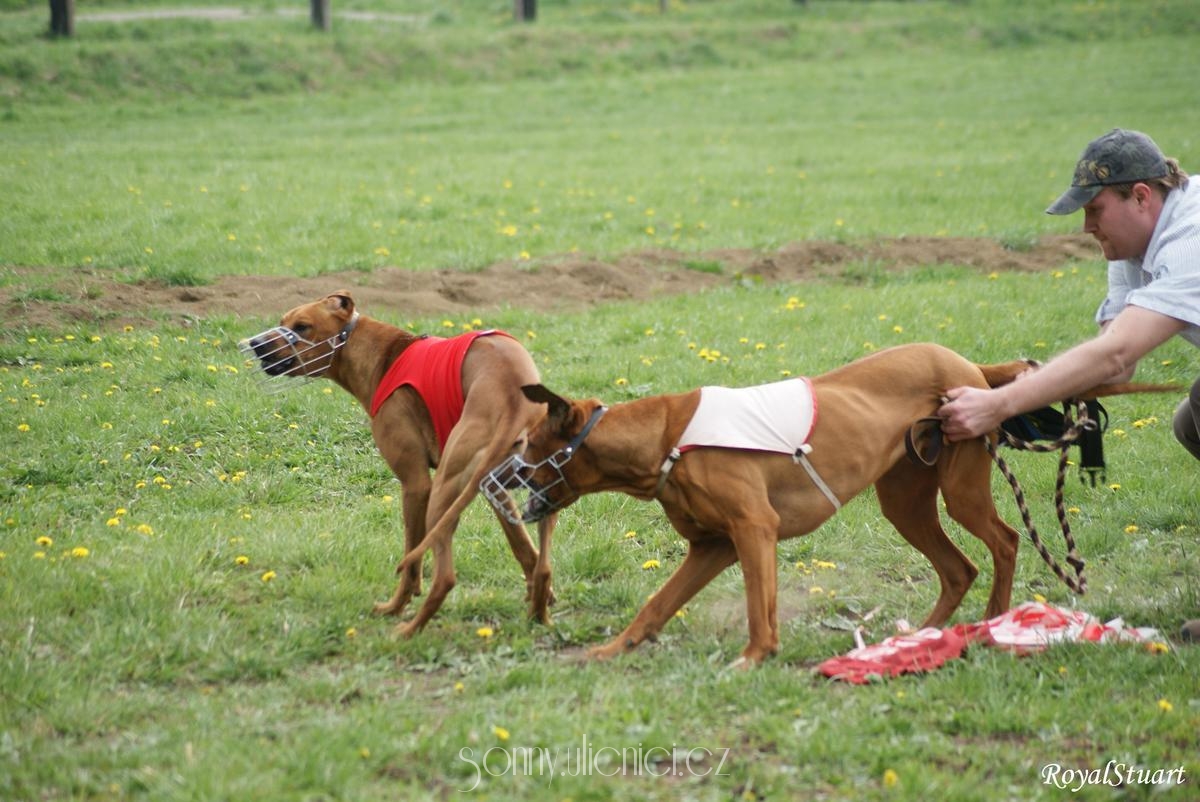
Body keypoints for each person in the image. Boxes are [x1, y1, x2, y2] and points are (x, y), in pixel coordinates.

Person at [936, 128, 1200, 642]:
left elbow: (1115, 353)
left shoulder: (1190, 240)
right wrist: (1029, 385)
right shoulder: (1132, 247)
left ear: (1140, 196)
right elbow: (1115, 365)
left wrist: (996, 405)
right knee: (1194, 422)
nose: (1086, 226)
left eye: (1095, 210)